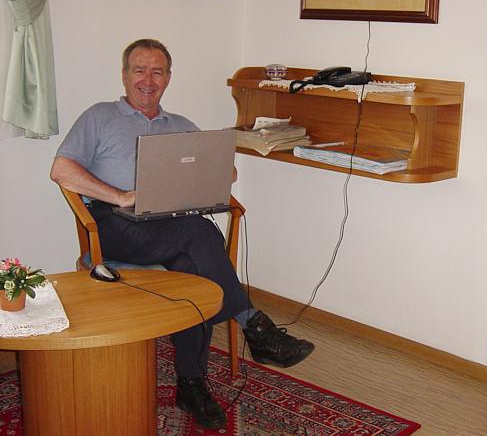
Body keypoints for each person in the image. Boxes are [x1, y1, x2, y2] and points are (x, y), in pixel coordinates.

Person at [50, 38, 314, 430]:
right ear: (124, 75)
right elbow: (61, 170)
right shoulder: (100, 116)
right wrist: (120, 195)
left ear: (168, 78)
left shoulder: (182, 126)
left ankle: (191, 385)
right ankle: (253, 325)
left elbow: (227, 173)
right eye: (139, 70)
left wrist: (210, 171)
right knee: (198, 231)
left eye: (157, 72)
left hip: (171, 225)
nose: (148, 80)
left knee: (194, 269)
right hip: (114, 225)